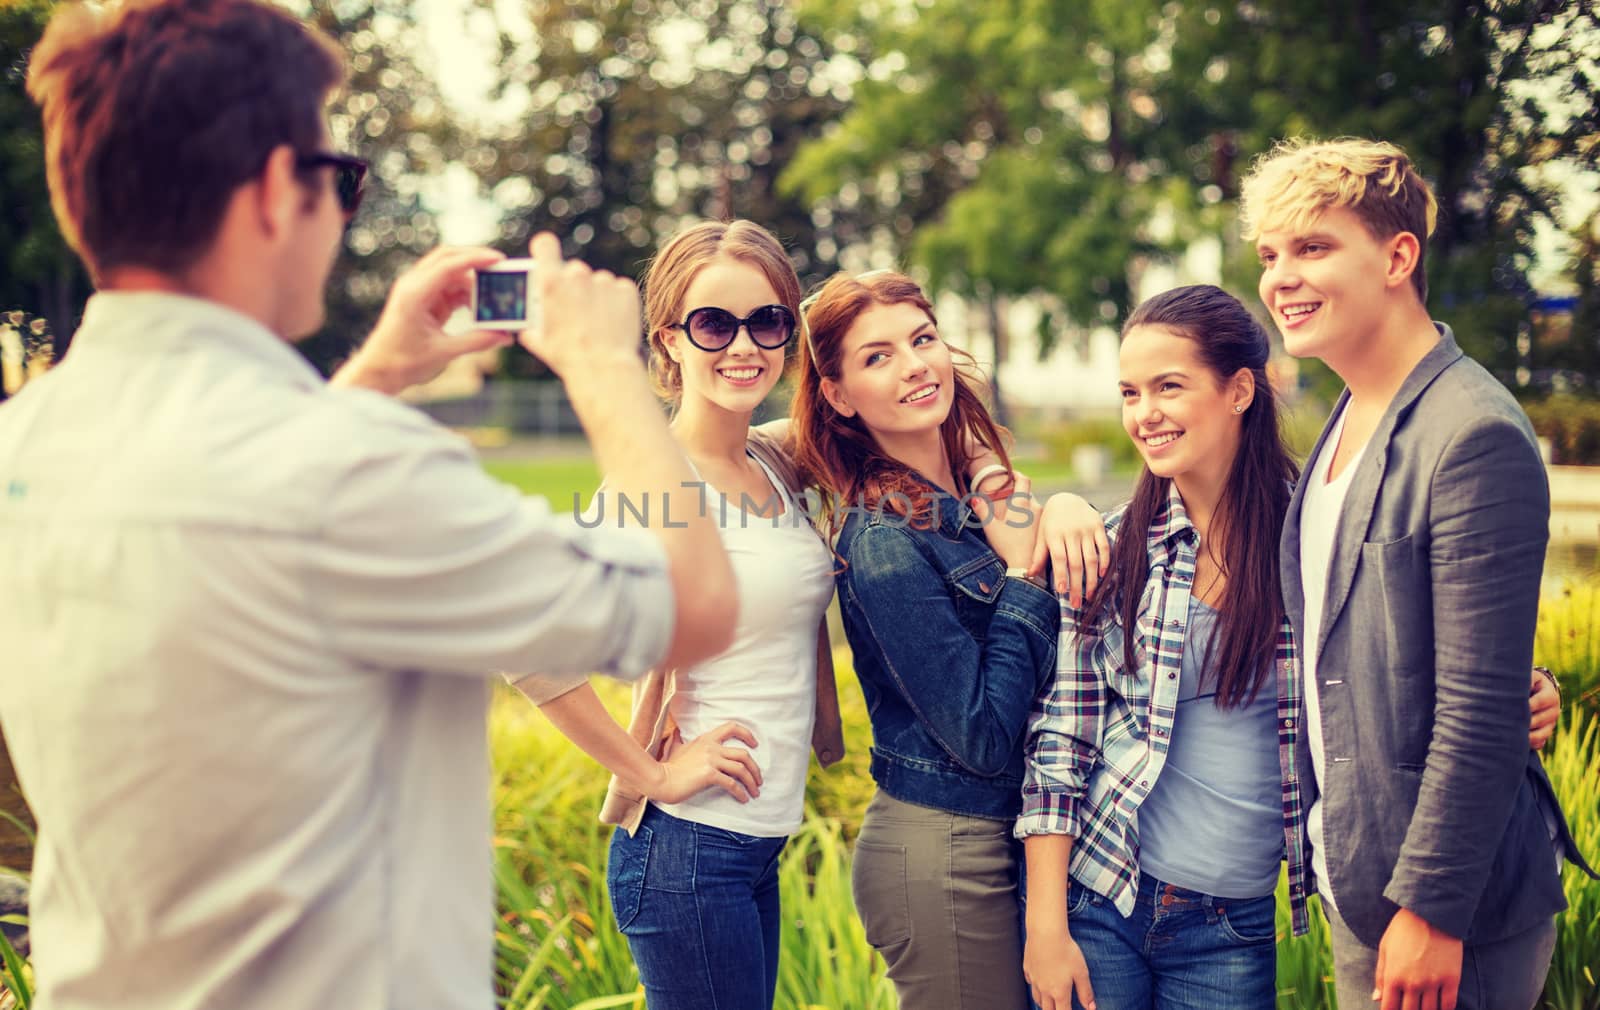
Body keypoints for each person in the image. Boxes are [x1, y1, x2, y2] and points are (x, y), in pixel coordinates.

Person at [0, 3, 735, 1009]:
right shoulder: (351, 471)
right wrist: (606, 369)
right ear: (272, 192)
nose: (342, 214)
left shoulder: (26, 442)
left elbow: (254, 506)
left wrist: (380, 370)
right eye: (340, 180)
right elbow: (693, 604)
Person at [1244, 137, 1594, 1010]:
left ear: (1399, 255)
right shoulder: (1347, 417)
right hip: (1362, 879)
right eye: (1270, 255)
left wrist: (1430, 912)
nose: (1281, 277)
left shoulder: (1472, 432)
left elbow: (1481, 705)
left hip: (1446, 908)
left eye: (1313, 247)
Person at [508, 220, 843, 1010]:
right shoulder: (650, 485)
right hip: (688, 848)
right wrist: (652, 774)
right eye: (713, 323)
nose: (744, 346)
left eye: (767, 321)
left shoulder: (772, 459)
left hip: (755, 844)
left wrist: (1048, 501)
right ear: (669, 341)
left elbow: (905, 423)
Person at [790, 270, 1099, 1010]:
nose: (915, 364)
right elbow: (984, 735)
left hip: (1002, 833)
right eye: (877, 357)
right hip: (944, 851)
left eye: (922, 339)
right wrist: (1029, 573)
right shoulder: (885, 544)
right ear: (837, 394)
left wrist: (1056, 501)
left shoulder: (967, 497)